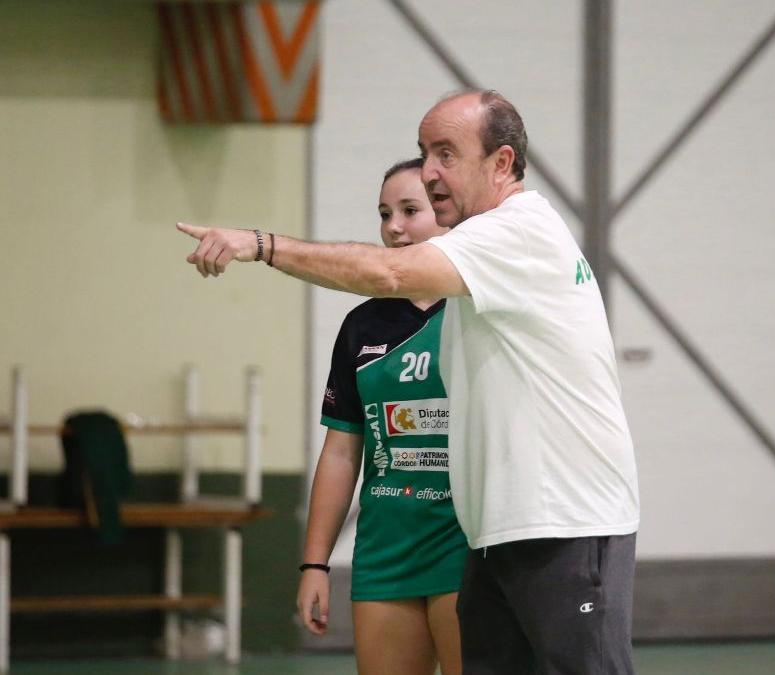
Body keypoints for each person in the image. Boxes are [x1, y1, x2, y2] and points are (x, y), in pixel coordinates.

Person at [178, 89, 640, 674]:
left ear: (501, 163)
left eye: (446, 153)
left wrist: (260, 244)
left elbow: (386, 270)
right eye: (425, 154)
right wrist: (315, 562)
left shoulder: (520, 231)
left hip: (565, 525)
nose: (430, 172)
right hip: (496, 536)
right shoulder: (460, 274)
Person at [296, 158, 465, 675]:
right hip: (385, 553)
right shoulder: (361, 324)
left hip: (469, 550)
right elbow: (342, 451)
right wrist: (315, 564)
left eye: (410, 210)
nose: (393, 226)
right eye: (384, 213)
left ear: (446, 213)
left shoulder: (479, 311)